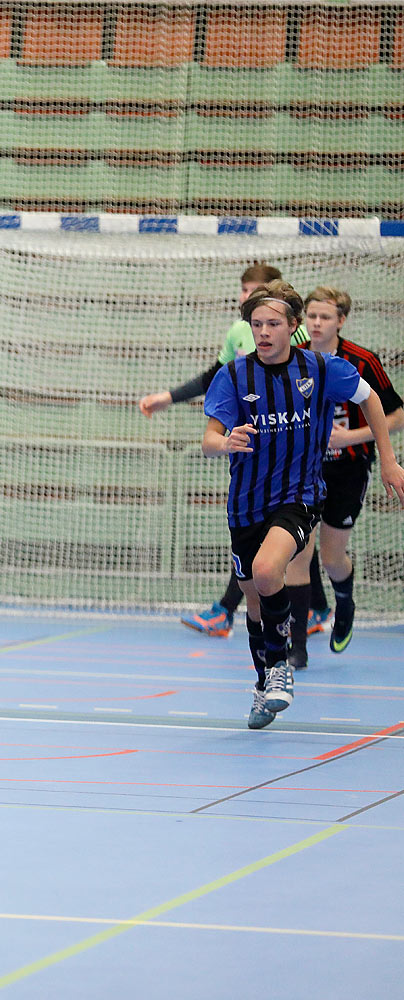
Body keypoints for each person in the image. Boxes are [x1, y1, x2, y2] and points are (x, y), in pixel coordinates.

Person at [202, 280, 403, 729]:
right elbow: (209, 439)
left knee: (269, 570)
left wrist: (388, 461)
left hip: (299, 496)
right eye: (256, 324)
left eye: (274, 323)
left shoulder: (321, 368)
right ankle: (262, 684)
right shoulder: (234, 375)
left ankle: (281, 666)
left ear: (293, 327)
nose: (264, 332)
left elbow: (371, 399)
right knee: (254, 606)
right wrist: (225, 441)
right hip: (245, 504)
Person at [139, 262, 329, 639]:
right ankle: (302, 614)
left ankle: (263, 621)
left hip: (297, 460)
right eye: (243, 292)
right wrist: (170, 397)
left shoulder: (300, 339)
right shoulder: (240, 336)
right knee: (269, 549)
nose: (245, 298)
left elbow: (316, 376)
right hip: (253, 465)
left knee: (284, 549)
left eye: (252, 290)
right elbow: (216, 375)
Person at [301, 286, 404, 655]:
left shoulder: (362, 360)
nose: (316, 323)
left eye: (324, 317)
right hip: (304, 469)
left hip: (349, 468)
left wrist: (351, 438)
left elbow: (397, 414)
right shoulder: (294, 356)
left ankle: (344, 601)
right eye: (311, 316)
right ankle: (298, 635)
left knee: (331, 557)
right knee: (298, 547)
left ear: (340, 321)